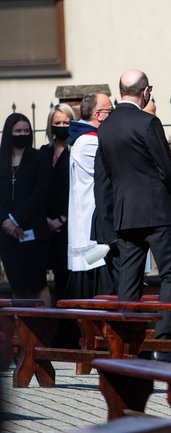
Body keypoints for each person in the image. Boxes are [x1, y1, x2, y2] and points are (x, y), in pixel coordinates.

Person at [97, 70, 171, 360]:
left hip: (125, 213)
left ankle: (127, 342)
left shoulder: (105, 127)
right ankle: (164, 340)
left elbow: (108, 175)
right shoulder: (148, 122)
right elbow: (166, 167)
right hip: (156, 210)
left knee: (129, 278)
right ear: (146, 91)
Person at [67, 92, 116, 298]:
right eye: (110, 111)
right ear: (98, 115)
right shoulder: (89, 142)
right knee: (100, 288)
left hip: (94, 220)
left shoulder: (88, 139)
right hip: (92, 222)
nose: (113, 116)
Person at [0, 114, 51, 304]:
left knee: (38, 284)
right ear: (9, 133)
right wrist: (5, 221)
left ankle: (44, 329)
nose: (23, 134)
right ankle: (23, 331)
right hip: (7, 235)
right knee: (18, 285)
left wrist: (15, 219)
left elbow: (40, 194)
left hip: (33, 230)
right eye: (18, 131)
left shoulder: (39, 158)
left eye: (26, 131)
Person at [41, 104, 75, 304]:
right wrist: (45, 219)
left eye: (66, 122)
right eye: (57, 123)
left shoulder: (76, 153)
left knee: (66, 278)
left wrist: (62, 218)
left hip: (68, 225)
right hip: (45, 225)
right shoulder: (42, 154)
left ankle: (68, 330)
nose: (62, 126)